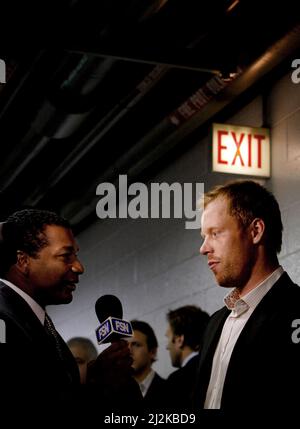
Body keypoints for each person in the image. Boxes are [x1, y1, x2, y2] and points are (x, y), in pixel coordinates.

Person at [0, 209, 138, 419]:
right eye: (66, 256)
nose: (79, 267)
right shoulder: (5, 321)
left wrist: (94, 382)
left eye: (76, 255)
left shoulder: (39, 324)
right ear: (23, 261)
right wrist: (97, 388)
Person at [194, 180, 300, 412]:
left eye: (215, 233)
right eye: (204, 236)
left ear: (255, 231)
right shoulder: (214, 324)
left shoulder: (295, 311)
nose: (203, 248)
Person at [165, 305, 209, 408]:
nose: (167, 347)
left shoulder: (176, 381)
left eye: (168, 338)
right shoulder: (215, 368)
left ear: (180, 339)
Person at [128, 320, 168, 408]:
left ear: (152, 352)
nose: (128, 351)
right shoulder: (115, 393)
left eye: (136, 345)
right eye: (125, 345)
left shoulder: (170, 391)